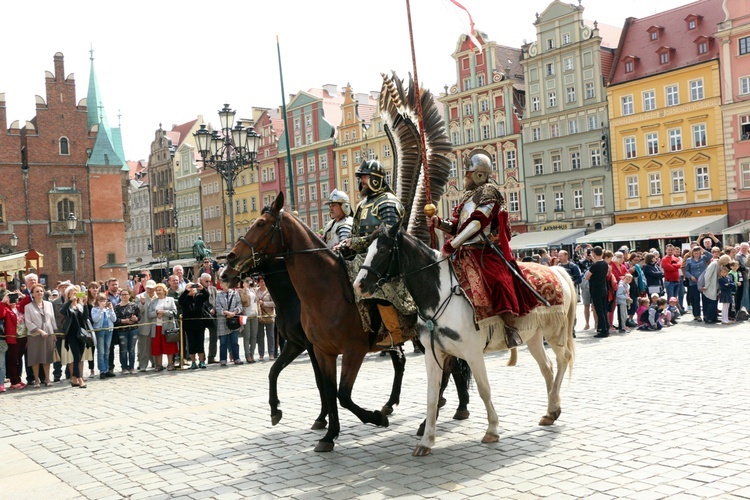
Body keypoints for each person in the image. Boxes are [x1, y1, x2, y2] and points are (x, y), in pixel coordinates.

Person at [427, 153, 540, 348]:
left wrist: (451, 245)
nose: (465, 177)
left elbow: (477, 223)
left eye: (468, 174)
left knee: (498, 281)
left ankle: (510, 327)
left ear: (479, 175)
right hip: (464, 251)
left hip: (485, 251)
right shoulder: (468, 197)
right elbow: (458, 225)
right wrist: (439, 222)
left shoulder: (489, 192)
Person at [338, 159, 415, 348]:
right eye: (362, 177)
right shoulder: (363, 204)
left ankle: (395, 331)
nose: (362, 181)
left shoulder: (387, 201)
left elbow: (388, 234)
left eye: (365, 176)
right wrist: (345, 245)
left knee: (371, 281)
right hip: (364, 255)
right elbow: (354, 233)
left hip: (386, 258)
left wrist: (355, 242)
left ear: (376, 179)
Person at [23, 283, 57, 388]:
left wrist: (54, 333)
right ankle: (36, 380)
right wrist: (40, 331)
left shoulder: (49, 304)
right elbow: (28, 322)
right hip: (34, 336)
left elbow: (52, 319)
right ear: (32, 294)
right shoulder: (28, 307)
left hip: (48, 334)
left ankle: (47, 379)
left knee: (47, 357)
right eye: (37, 291)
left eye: (41, 291)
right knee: (35, 358)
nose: (39, 293)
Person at [61, 286, 88, 388]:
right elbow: (62, 311)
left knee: (79, 357)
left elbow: (86, 317)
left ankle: (74, 378)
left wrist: (85, 304)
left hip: (81, 334)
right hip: (72, 335)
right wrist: (70, 301)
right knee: (76, 356)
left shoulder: (80, 306)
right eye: (72, 293)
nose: (75, 295)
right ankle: (80, 379)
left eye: (76, 293)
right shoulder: (67, 307)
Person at [148, 283, 179, 371]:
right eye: (156, 290)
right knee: (157, 346)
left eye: (159, 290)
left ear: (164, 291)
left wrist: (164, 312)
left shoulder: (170, 299)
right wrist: (157, 312)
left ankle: (170, 364)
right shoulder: (153, 301)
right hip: (156, 327)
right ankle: (159, 365)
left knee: (169, 346)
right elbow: (149, 314)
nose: (158, 292)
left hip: (167, 327)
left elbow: (174, 312)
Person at [178, 281, 209, 369]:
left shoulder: (199, 297)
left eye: (193, 288)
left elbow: (206, 296)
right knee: (191, 344)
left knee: (200, 343)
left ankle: (202, 361)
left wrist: (202, 288)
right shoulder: (185, 298)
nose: (192, 289)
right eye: (190, 288)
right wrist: (186, 291)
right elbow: (180, 301)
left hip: (200, 324)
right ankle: (193, 362)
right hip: (189, 325)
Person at [0, 290, 24, 390]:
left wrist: (22, 295)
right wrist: (3, 301)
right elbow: (1, 315)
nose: (13, 300)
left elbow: (27, 301)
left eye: (14, 298)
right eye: (10, 298)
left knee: (19, 359)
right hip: (12, 338)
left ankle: (18, 379)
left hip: (23, 337)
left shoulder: (20, 308)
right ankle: (14, 381)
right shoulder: (6, 308)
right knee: (13, 360)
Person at [91, 292, 117, 380]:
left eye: (104, 300)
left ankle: (107, 369)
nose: (103, 302)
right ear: (97, 301)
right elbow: (95, 319)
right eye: (101, 301)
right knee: (101, 351)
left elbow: (114, 319)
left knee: (107, 351)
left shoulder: (108, 309)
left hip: (109, 331)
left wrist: (111, 309)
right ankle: (102, 370)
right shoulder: (95, 309)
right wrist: (100, 310)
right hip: (100, 331)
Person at [114, 289, 140, 374]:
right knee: (123, 349)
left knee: (132, 349)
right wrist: (123, 321)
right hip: (122, 330)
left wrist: (136, 318)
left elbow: (139, 316)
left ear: (129, 295)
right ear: (120, 296)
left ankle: (132, 367)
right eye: (122, 294)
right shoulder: (116, 307)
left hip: (133, 329)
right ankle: (124, 367)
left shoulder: (134, 305)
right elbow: (115, 319)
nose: (124, 296)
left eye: (126, 294)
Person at [586, 246, 610, 338]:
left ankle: (603, 330)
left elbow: (587, 276)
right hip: (603, 288)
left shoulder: (594, 266)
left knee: (599, 310)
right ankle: (605, 327)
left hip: (596, 289)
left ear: (594, 254)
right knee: (603, 309)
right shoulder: (605, 263)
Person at [215, 284, 242, 366]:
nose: (226, 286)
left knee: (234, 341)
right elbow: (217, 307)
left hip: (234, 321)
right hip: (223, 321)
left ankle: (236, 358)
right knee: (223, 342)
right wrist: (226, 312)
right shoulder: (218, 295)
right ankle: (223, 359)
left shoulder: (235, 293)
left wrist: (234, 312)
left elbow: (240, 305)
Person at [684, 246, 712, 321]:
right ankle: (697, 315)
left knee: (705, 298)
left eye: (697, 251)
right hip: (694, 282)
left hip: (703, 281)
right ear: (692, 252)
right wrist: (690, 276)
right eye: (694, 251)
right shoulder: (689, 260)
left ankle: (706, 314)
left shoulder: (703, 258)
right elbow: (686, 271)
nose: (696, 252)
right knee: (696, 299)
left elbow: (711, 257)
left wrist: (704, 250)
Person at [136, 280, 157, 371]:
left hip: (156, 326)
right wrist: (142, 303)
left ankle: (156, 363)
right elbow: (138, 312)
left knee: (155, 346)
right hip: (145, 325)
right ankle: (142, 365)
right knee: (143, 347)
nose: (150, 290)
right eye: (148, 288)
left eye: (152, 288)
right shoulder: (140, 297)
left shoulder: (158, 296)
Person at [198, 273, 219, 364]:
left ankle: (212, 357)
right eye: (206, 281)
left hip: (212, 315)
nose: (208, 283)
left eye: (210, 281)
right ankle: (202, 358)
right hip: (201, 316)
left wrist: (214, 308)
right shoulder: (196, 290)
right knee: (200, 338)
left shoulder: (213, 289)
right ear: (201, 281)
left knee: (214, 336)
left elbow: (217, 301)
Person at [238, 279, 258, 363]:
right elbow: (244, 301)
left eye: (249, 281)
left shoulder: (253, 290)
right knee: (247, 335)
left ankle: (252, 354)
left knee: (254, 335)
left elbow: (257, 301)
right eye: (246, 281)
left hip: (254, 313)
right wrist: (245, 290)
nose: (248, 283)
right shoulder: (240, 291)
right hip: (246, 314)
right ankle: (247, 355)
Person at [256, 277, 276, 361]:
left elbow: (274, 303)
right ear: (258, 283)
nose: (263, 283)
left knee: (270, 335)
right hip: (259, 316)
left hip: (269, 315)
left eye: (264, 281)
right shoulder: (256, 291)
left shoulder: (270, 291)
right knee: (260, 336)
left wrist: (264, 303)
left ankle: (271, 353)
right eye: (261, 281)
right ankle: (261, 354)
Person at [717, 256, 736, 324]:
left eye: (725, 272)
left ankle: (726, 318)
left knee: (727, 306)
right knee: (724, 306)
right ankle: (723, 319)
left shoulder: (727, 278)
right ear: (720, 273)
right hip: (724, 293)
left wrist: (729, 284)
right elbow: (723, 287)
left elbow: (733, 284)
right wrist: (729, 285)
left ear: (727, 273)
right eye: (722, 272)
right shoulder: (720, 279)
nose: (723, 273)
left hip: (728, 293)